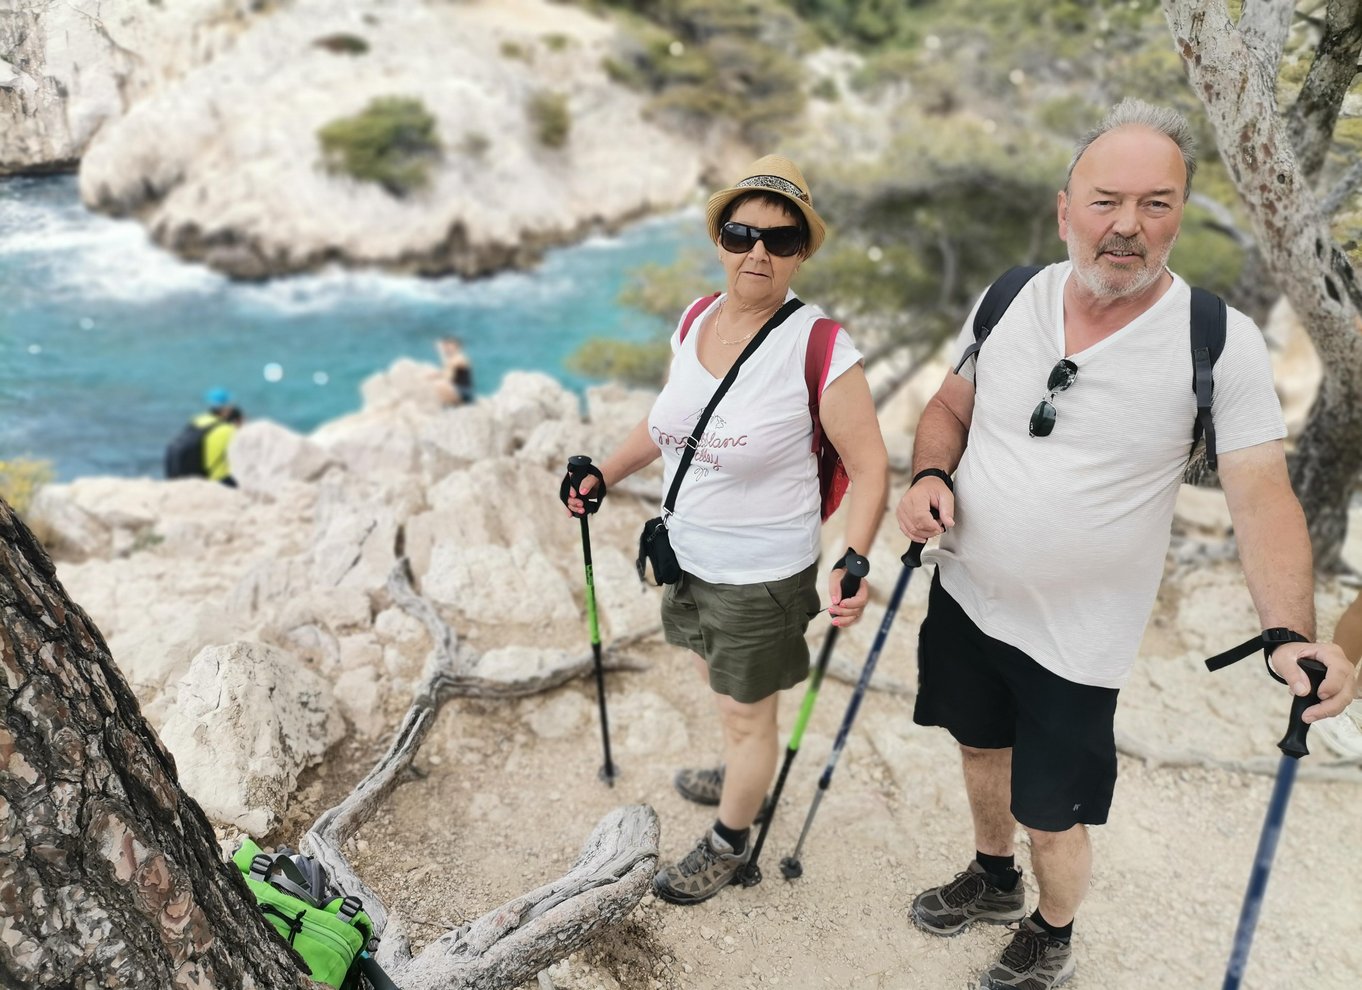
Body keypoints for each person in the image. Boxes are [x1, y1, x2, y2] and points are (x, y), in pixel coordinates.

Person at [894, 99, 1357, 990]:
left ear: (1179, 213)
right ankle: (993, 880)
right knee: (978, 748)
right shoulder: (1008, 296)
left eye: (1156, 204)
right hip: (965, 595)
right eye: (1106, 201)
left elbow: (1262, 496)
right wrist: (928, 477)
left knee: (1053, 813)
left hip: (1078, 643)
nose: (1127, 227)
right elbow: (951, 406)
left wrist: (1289, 634)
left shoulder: (1219, 342)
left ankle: (1052, 930)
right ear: (1066, 209)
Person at [564, 155, 888, 905]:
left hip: (761, 576)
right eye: (743, 234)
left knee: (748, 715)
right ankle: (748, 764)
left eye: (780, 240)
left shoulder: (820, 348)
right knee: (723, 686)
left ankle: (731, 839)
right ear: (721, 238)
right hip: (690, 560)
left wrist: (855, 562)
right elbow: (666, 421)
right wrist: (604, 475)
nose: (758, 254)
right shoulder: (694, 318)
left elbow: (871, 469)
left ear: (801, 251)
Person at [165, 388, 243, 487]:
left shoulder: (196, 420)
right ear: (226, 408)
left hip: (184, 474)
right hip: (214, 479)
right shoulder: (228, 430)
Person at [432, 337, 474, 405]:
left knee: (440, 384)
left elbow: (448, 374)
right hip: (457, 390)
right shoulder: (452, 360)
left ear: (458, 348)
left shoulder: (461, 358)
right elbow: (445, 371)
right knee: (433, 383)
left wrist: (440, 351)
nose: (447, 348)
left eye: (451, 346)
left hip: (464, 392)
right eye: (446, 346)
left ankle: (454, 406)